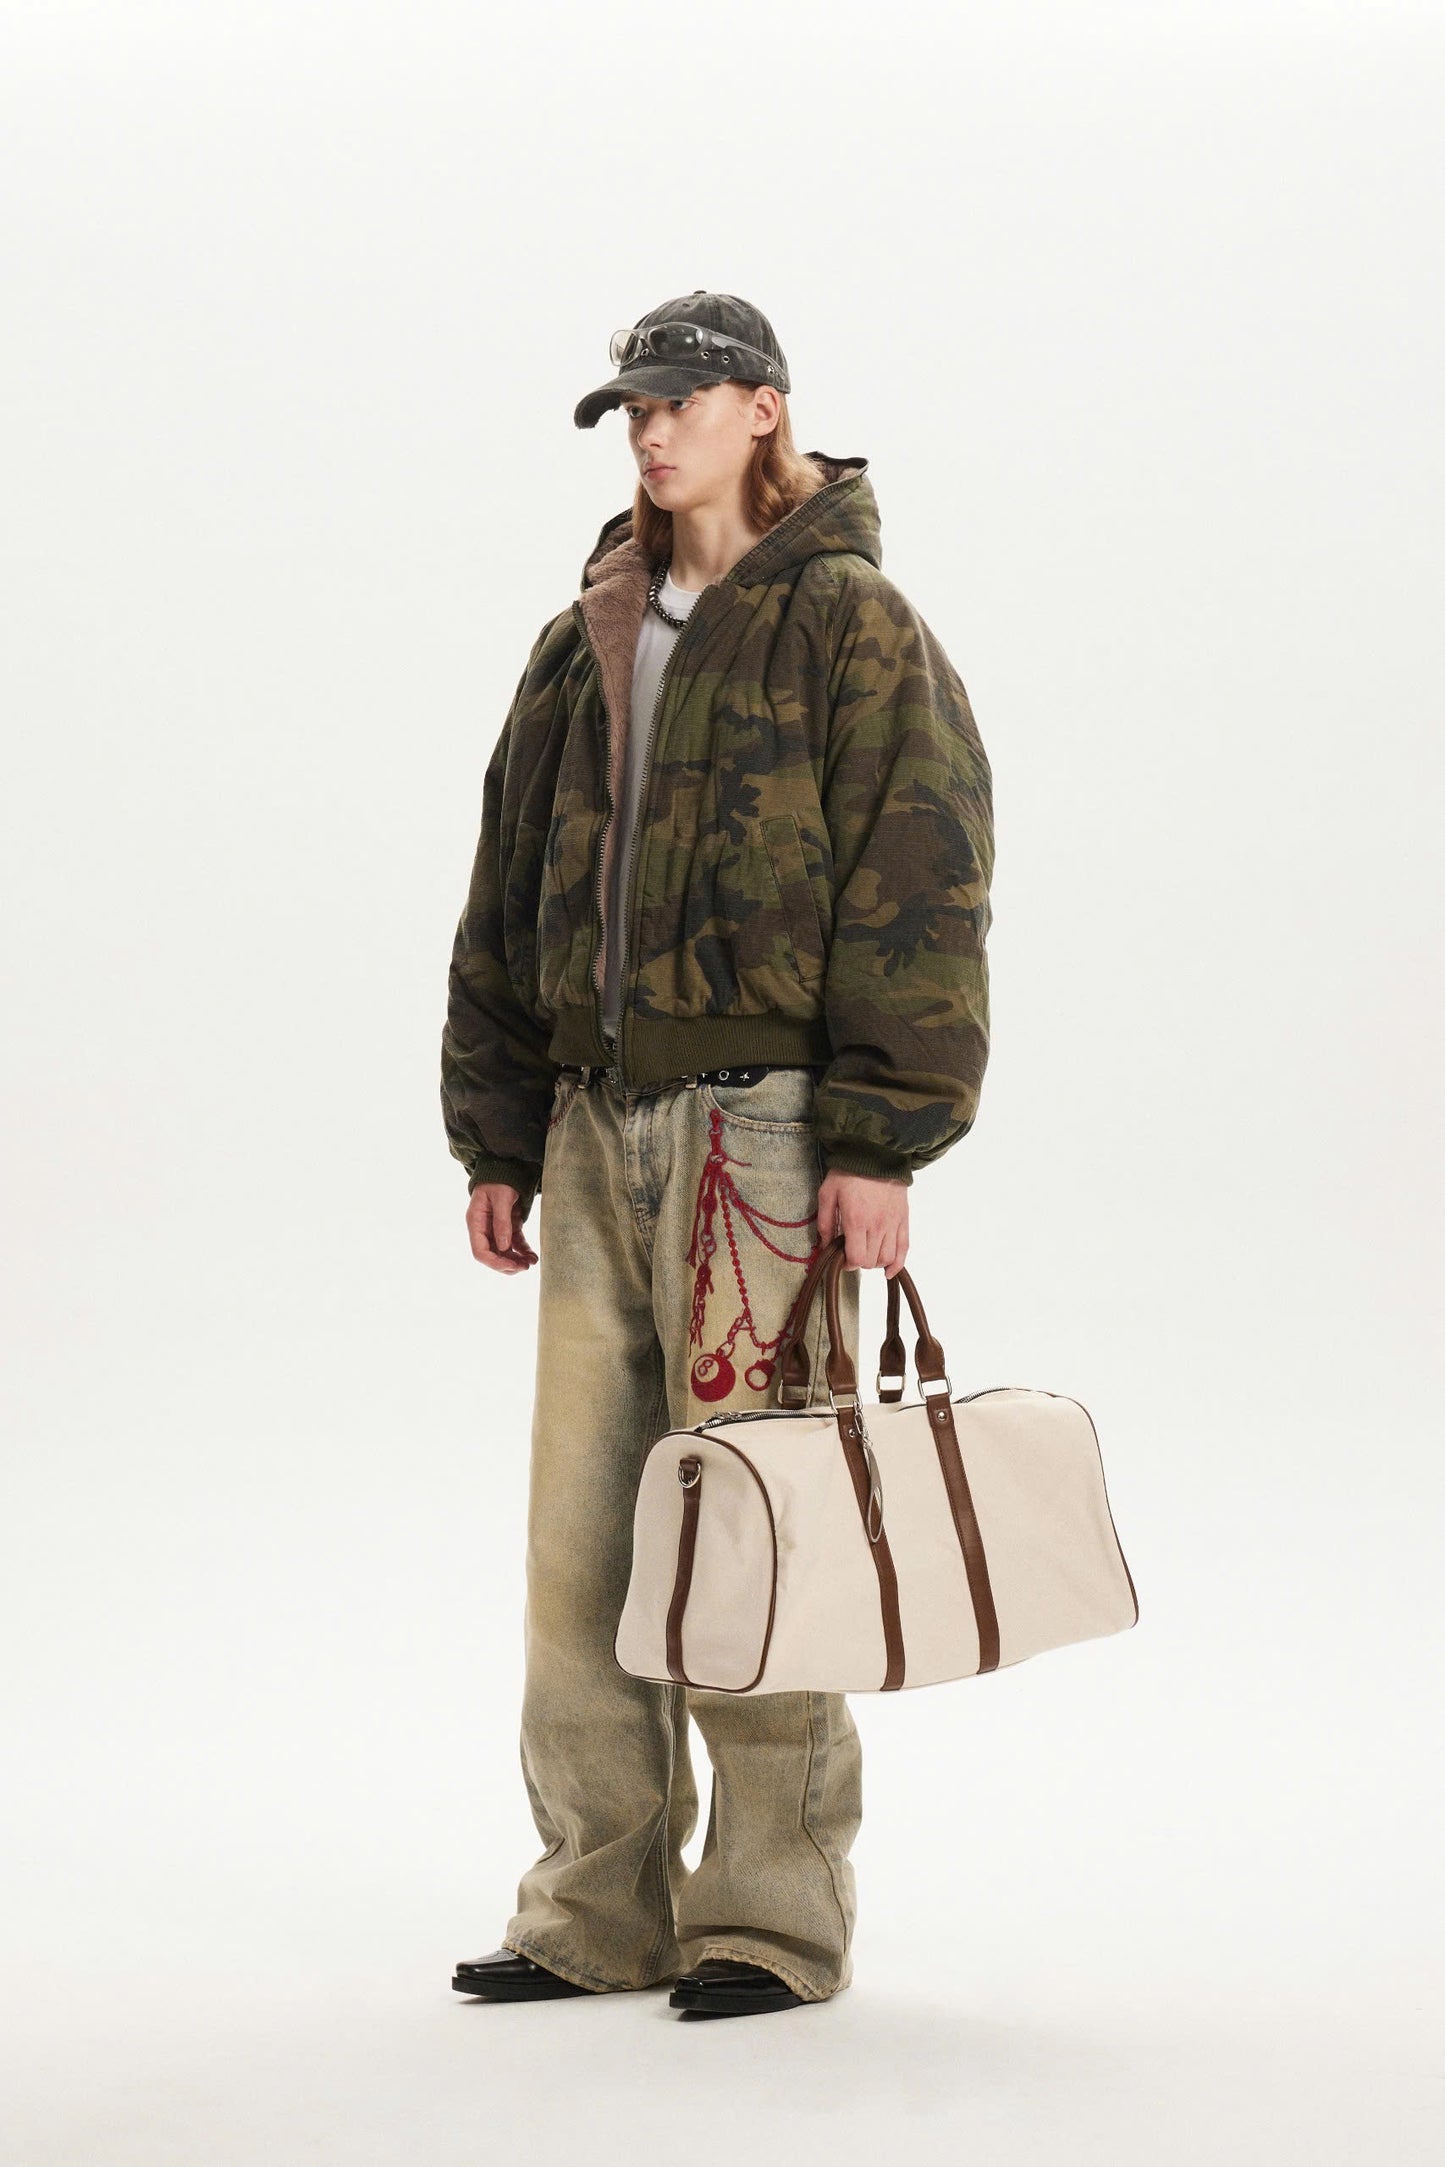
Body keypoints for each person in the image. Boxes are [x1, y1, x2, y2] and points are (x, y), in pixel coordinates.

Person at [440, 290, 994, 2019]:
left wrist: (881, 1137)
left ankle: (767, 1911)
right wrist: (497, 1131)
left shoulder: (850, 624)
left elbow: (921, 880)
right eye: (633, 409)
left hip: (764, 1136)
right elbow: (507, 889)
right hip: (590, 1125)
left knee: (757, 1521)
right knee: (582, 1543)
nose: (651, 431)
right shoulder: (584, 635)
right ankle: (594, 1905)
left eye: (681, 400)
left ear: (764, 408)